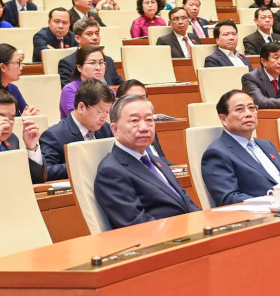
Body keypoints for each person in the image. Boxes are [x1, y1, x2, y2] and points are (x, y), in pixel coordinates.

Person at [94, 94, 199, 227]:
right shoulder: (111, 171)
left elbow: (186, 203)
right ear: (115, 130)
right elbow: (137, 224)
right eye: (134, 121)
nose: (144, 128)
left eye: (149, 120)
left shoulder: (158, 162)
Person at [201, 89, 280, 206]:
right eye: (239, 109)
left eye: (252, 108)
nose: (248, 114)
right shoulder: (217, 153)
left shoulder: (266, 145)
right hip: (269, 213)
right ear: (223, 119)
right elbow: (229, 198)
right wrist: (274, 202)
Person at [40, 79, 116, 181]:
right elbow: (46, 171)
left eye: (107, 112)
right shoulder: (54, 135)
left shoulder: (107, 130)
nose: (104, 118)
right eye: (100, 112)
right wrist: (83, 165)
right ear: (81, 107)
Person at [58, 19, 123, 86]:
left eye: (97, 33)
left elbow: (121, 87)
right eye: (89, 34)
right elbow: (70, 92)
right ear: (78, 38)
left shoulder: (108, 60)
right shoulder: (67, 63)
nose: (95, 37)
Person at [60, 46, 107, 119]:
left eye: (101, 63)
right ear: (79, 67)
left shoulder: (107, 89)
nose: (98, 67)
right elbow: (76, 118)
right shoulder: (70, 90)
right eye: (92, 63)